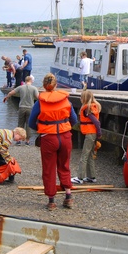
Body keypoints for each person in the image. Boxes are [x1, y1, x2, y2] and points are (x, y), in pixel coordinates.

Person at [29, 73, 78, 211]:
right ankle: (68, 196)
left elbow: (31, 122)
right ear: (56, 85)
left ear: (44, 86)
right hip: (65, 136)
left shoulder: (40, 102)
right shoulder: (66, 101)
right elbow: (74, 120)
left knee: (49, 168)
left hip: (48, 138)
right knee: (64, 165)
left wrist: (42, 128)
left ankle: (51, 200)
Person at [71, 90, 102, 184]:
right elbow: (96, 122)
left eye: (81, 97)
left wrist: (99, 132)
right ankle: (91, 176)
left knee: (84, 155)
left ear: (84, 98)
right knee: (90, 155)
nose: (80, 99)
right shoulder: (94, 106)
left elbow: (96, 122)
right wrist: (98, 133)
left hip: (90, 134)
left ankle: (80, 177)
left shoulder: (86, 109)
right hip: (93, 134)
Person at [3, 75, 39, 145]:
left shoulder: (21, 87)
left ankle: (18, 140)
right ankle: (27, 141)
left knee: (20, 124)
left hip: (22, 107)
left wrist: (6, 97)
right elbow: (38, 97)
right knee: (28, 125)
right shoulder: (34, 88)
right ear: (31, 81)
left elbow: (11, 92)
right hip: (30, 108)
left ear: (25, 81)